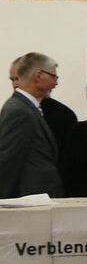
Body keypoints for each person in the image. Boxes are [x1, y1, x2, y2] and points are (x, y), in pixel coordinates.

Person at [0, 52, 64, 198]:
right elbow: (8, 161)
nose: (55, 83)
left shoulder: (28, 107)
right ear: (38, 75)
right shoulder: (20, 111)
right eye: (53, 77)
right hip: (30, 202)